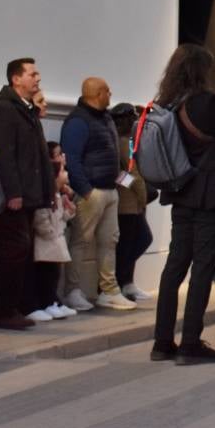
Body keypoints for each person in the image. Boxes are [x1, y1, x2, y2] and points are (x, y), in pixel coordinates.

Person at [151, 45, 215, 365]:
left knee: (175, 266)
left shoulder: (169, 103)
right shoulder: (203, 102)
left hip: (183, 192)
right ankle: (191, 343)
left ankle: (162, 343)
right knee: (203, 268)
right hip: (211, 195)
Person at [0, 58, 55, 330]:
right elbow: (3, 156)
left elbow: (36, 156)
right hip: (15, 196)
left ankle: (15, 306)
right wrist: (13, 192)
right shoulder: (4, 110)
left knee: (22, 252)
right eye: (32, 73)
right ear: (16, 79)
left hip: (30, 194)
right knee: (15, 251)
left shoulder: (26, 109)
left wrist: (45, 191)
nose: (37, 78)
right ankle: (3, 310)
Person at [61, 77, 136, 311]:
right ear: (97, 94)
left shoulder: (105, 118)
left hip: (110, 189)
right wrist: (85, 190)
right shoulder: (77, 121)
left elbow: (112, 155)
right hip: (91, 191)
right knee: (81, 241)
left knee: (109, 241)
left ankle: (109, 290)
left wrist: (122, 183)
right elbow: (71, 159)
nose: (110, 94)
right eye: (107, 91)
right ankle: (72, 290)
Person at [111, 103, 155, 302]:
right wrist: (141, 193)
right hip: (129, 202)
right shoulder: (123, 142)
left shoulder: (124, 140)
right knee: (133, 242)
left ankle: (126, 282)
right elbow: (131, 173)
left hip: (132, 201)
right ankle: (121, 281)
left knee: (133, 242)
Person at [29, 143, 76, 321]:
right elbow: (41, 218)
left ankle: (52, 301)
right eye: (63, 171)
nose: (66, 174)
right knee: (46, 276)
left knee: (55, 274)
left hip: (56, 241)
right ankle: (47, 302)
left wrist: (70, 211)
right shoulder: (48, 197)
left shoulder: (58, 196)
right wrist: (50, 232)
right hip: (48, 242)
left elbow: (61, 217)